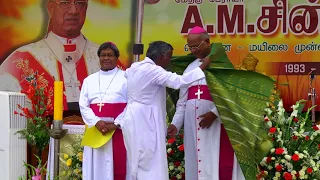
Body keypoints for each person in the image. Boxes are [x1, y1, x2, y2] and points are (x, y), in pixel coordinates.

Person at [112, 41, 211, 180]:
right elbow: (179, 82)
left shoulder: (135, 67)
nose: (169, 61)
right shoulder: (153, 70)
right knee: (151, 164)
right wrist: (204, 65)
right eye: (169, 57)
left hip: (133, 120)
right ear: (162, 56)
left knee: (137, 163)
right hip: (146, 122)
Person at [0, 0, 124, 110]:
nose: (74, 11)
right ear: (50, 8)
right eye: (65, 3)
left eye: (80, 3)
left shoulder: (109, 61)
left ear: (86, 8)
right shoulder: (19, 63)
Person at [167, 26, 245, 180]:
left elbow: (231, 96)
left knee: (216, 165)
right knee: (195, 166)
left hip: (216, 127)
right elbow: (182, 102)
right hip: (192, 128)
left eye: (196, 46)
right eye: (190, 47)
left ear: (207, 42)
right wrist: (175, 124)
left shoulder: (222, 64)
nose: (193, 50)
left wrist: (214, 114)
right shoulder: (190, 68)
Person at [79, 42, 128, 180]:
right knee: (97, 167)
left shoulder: (126, 78)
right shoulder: (89, 80)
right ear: (99, 57)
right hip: (96, 130)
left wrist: (117, 123)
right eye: (103, 55)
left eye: (110, 55)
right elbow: (83, 105)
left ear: (117, 57)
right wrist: (96, 122)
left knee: (119, 165)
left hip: (118, 131)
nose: (106, 58)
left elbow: (132, 104)